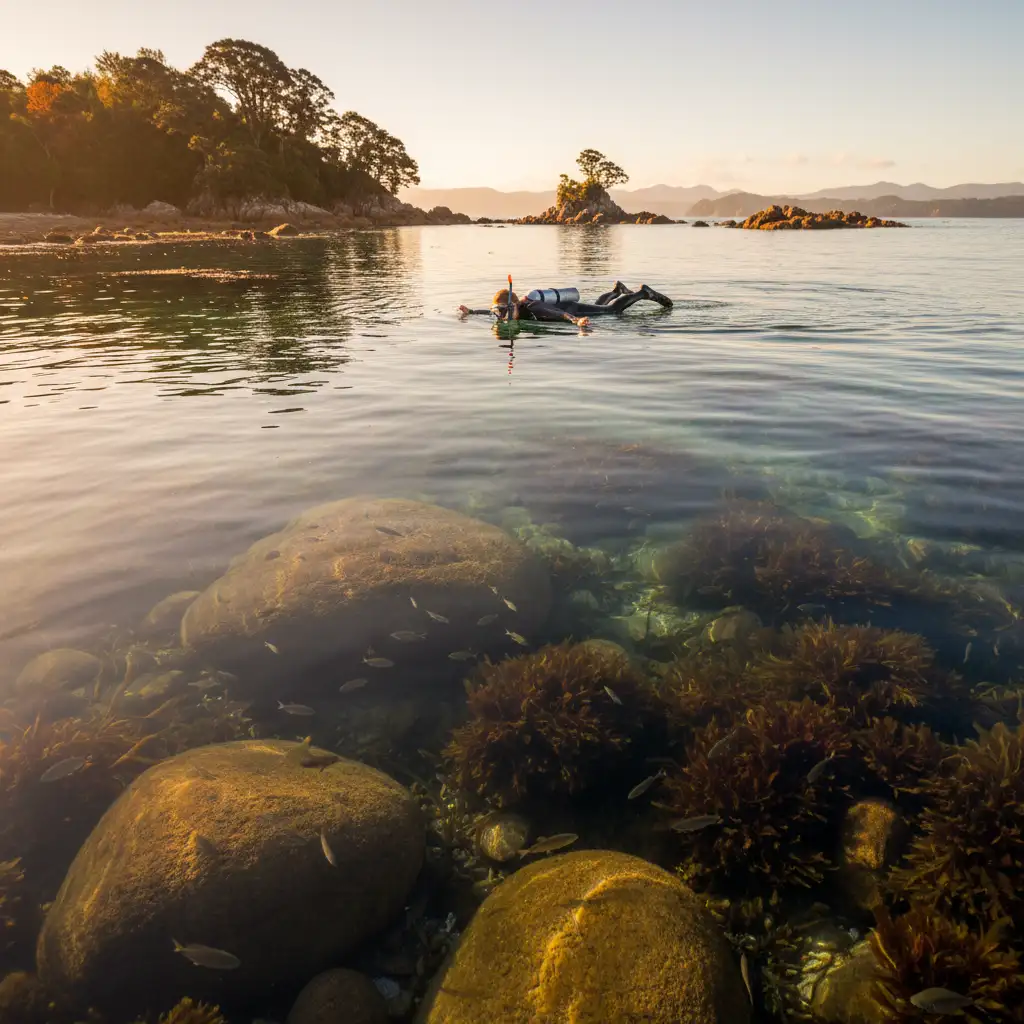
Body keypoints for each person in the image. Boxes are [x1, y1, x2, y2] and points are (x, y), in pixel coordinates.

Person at [458, 280, 673, 327]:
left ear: (514, 306)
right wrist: (472, 311)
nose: (501, 317)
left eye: (504, 311)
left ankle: (643, 293)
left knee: (611, 311)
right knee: (598, 306)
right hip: (568, 308)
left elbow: (558, 314)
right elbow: (491, 311)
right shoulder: (509, 311)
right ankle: (616, 290)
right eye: (499, 313)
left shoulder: (534, 307)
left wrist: (577, 321)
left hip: (570, 310)